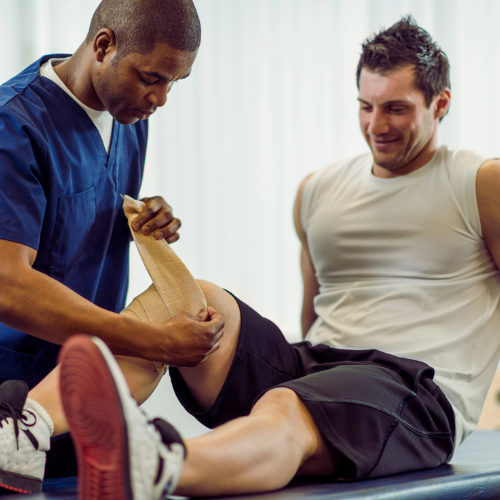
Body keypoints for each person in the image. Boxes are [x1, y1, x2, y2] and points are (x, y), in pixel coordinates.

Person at [2, 13, 500, 500]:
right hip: (320, 365)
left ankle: (155, 465)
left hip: (414, 386)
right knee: (196, 299)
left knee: (287, 405)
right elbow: (314, 308)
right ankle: (24, 427)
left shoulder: (480, 182)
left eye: (396, 108)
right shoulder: (319, 190)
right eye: (366, 107)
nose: (377, 125)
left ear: (440, 104)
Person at [0, 0, 224, 481]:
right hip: (13, 393)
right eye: (151, 78)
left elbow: (77, 214)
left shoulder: (128, 119)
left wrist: (146, 219)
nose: (161, 99)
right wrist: (152, 340)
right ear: (104, 46)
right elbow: (7, 286)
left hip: (85, 393)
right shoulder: (12, 126)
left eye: (173, 83)